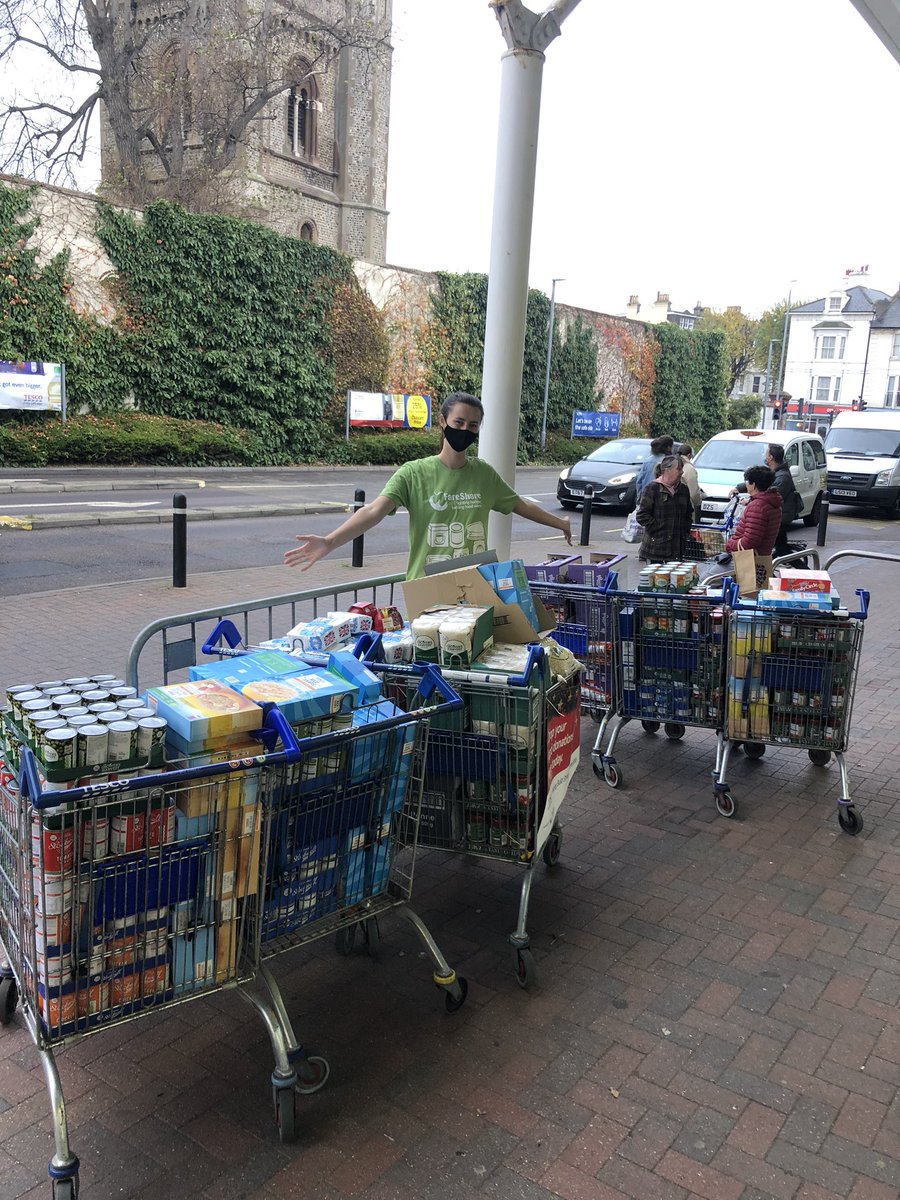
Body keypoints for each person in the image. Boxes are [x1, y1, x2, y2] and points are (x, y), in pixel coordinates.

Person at [284, 391, 572, 579]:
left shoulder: (484, 475)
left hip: (475, 583)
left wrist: (560, 523)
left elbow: (520, 505)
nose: (465, 430)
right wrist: (330, 541)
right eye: (458, 422)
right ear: (443, 421)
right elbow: (373, 511)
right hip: (427, 586)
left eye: (473, 426)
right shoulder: (413, 474)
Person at [729, 442, 798, 557]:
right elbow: (758, 478)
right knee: (778, 550)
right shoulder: (773, 473)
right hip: (775, 519)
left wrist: (729, 545)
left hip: (782, 518)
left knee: (780, 551)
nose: (764, 456)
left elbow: (750, 541)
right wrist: (739, 488)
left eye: (766, 453)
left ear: (771, 457)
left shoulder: (781, 477)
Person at [635, 454, 693, 562]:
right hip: (655, 550)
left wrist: (685, 532)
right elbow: (642, 515)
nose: (682, 472)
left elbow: (688, 514)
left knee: (676, 579)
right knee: (657, 579)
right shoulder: (652, 488)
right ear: (668, 470)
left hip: (677, 550)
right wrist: (659, 530)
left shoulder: (683, 489)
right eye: (679, 469)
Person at [633, 434, 675, 500]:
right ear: (669, 447)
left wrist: (639, 498)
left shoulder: (647, 461)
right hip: (660, 499)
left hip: (646, 497)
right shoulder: (669, 462)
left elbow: (639, 481)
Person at [677, 443, 703, 522]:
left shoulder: (673, 463)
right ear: (689, 455)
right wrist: (698, 503)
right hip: (686, 506)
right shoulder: (689, 468)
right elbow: (693, 492)